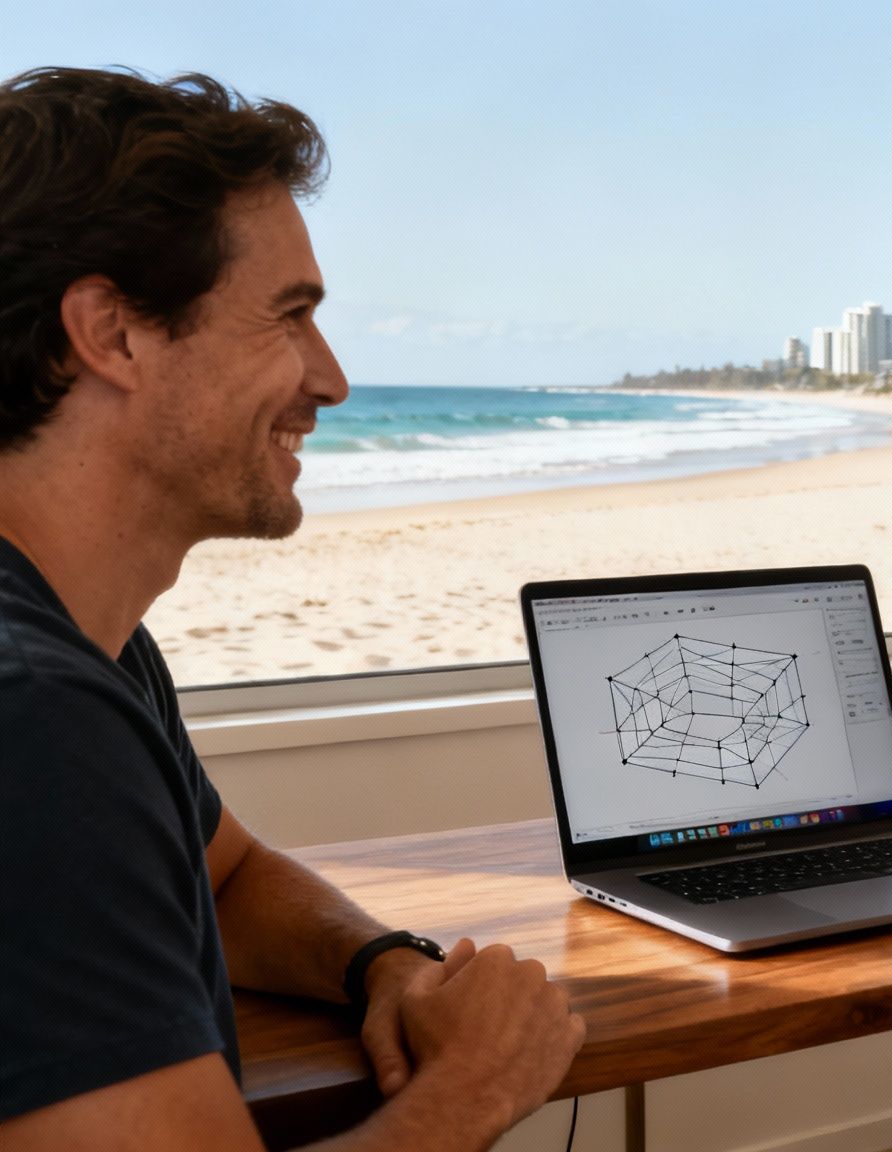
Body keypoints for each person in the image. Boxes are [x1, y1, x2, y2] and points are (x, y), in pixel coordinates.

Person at [0, 68, 585, 1149]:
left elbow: (223, 878)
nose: (333, 379)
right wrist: (479, 1084)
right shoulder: (35, 719)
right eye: (291, 317)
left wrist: (381, 965)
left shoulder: (93, 646)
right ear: (112, 333)